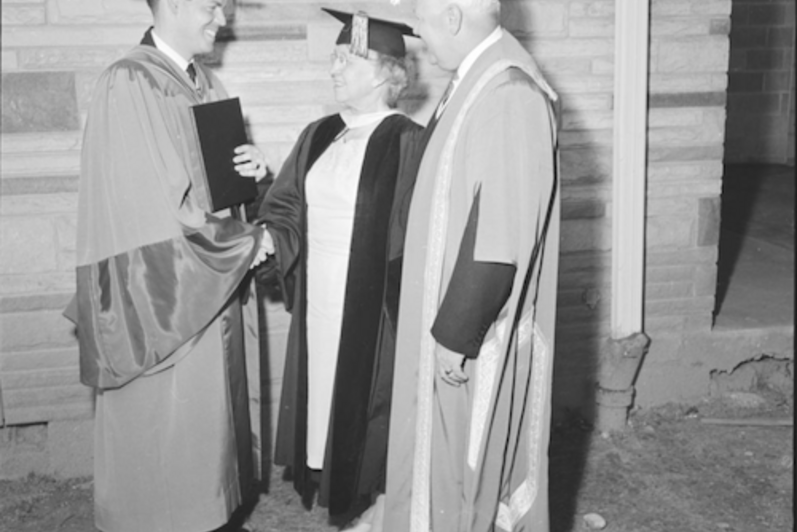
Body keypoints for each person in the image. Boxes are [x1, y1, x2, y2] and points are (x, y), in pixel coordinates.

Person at [67, 0, 273, 530]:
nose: (222, 20)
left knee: (205, 451)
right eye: (213, 6)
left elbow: (214, 197)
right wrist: (247, 243)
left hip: (209, 291)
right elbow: (157, 217)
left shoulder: (205, 85)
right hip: (166, 303)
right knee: (166, 451)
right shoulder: (130, 84)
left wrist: (253, 179)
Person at [382, 1, 561, 531]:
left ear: (453, 16)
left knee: (462, 485)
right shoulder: (476, 79)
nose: (416, 31)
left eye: (422, 17)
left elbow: (497, 240)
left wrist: (453, 339)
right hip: (452, 323)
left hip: (473, 338)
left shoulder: (508, 94)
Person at [254, 8, 422, 531]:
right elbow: (285, 208)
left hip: (374, 310)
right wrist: (263, 220)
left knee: (369, 403)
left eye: (347, 59)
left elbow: (416, 237)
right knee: (322, 395)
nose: (334, 68)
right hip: (318, 300)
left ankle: (380, 507)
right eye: (333, 58)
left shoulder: (408, 141)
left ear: (386, 72)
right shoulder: (319, 133)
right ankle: (347, 498)